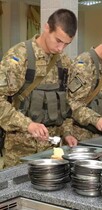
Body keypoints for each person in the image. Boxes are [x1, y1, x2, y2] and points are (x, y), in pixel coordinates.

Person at [0, 9, 78, 168]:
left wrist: (67, 132)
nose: (61, 49)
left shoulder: (64, 62)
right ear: (47, 28)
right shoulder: (20, 56)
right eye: (58, 40)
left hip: (52, 153)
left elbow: (66, 103)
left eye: (66, 44)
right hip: (20, 153)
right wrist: (27, 124)